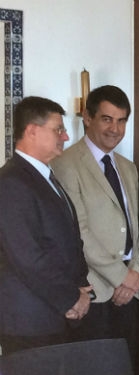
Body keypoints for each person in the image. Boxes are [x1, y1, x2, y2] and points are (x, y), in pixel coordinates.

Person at [51, 86, 139, 370]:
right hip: (95, 293)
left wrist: (136, 272)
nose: (115, 129)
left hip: (131, 290)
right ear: (87, 118)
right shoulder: (65, 164)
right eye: (107, 119)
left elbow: (135, 228)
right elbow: (78, 233)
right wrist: (122, 277)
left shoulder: (128, 168)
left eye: (122, 120)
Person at [0, 96, 92, 354]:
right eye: (58, 130)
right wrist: (71, 298)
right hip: (30, 322)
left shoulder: (44, 176)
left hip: (55, 315)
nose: (65, 137)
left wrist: (80, 289)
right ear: (32, 131)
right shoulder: (11, 182)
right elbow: (28, 257)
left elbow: (67, 240)